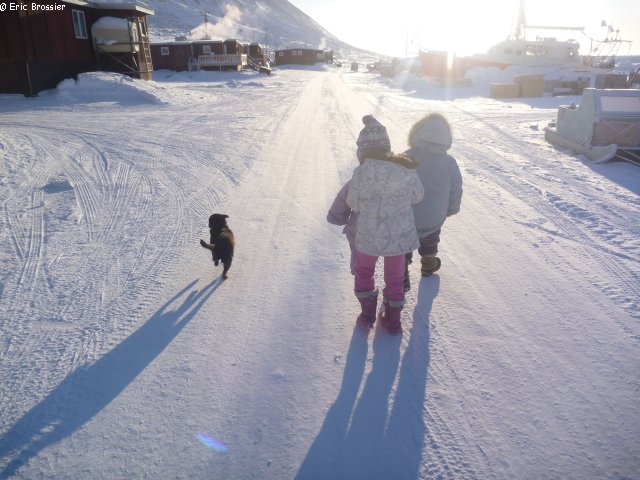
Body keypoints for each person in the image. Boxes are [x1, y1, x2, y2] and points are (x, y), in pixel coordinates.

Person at [346, 115, 424, 335]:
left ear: (362, 150)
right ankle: (393, 321)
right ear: (387, 146)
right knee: (395, 277)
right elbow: (418, 196)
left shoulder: (361, 172)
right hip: (399, 238)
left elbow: (353, 202)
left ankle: (367, 315)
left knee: (364, 271)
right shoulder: (406, 168)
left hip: (369, 236)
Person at [403, 113, 462, 287]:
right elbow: (455, 189)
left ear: (416, 134)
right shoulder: (450, 163)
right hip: (433, 218)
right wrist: (451, 209)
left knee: (404, 243)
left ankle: (402, 272)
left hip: (406, 217)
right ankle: (428, 265)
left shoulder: (405, 157)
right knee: (430, 239)